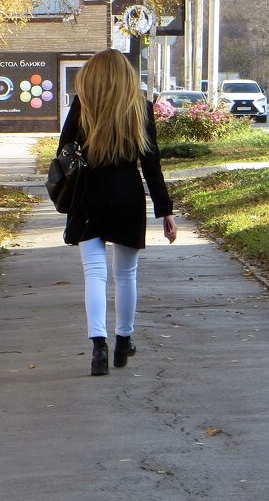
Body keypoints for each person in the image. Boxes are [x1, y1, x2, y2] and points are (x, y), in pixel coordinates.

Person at [58, 49, 177, 376]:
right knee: (126, 274)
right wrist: (165, 210)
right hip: (128, 195)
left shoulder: (83, 105)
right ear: (126, 76)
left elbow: (63, 152)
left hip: (87, 196)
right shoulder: (140, 107)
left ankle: (99, 347)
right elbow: (152, 165)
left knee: (94, 272)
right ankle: (124, 341)